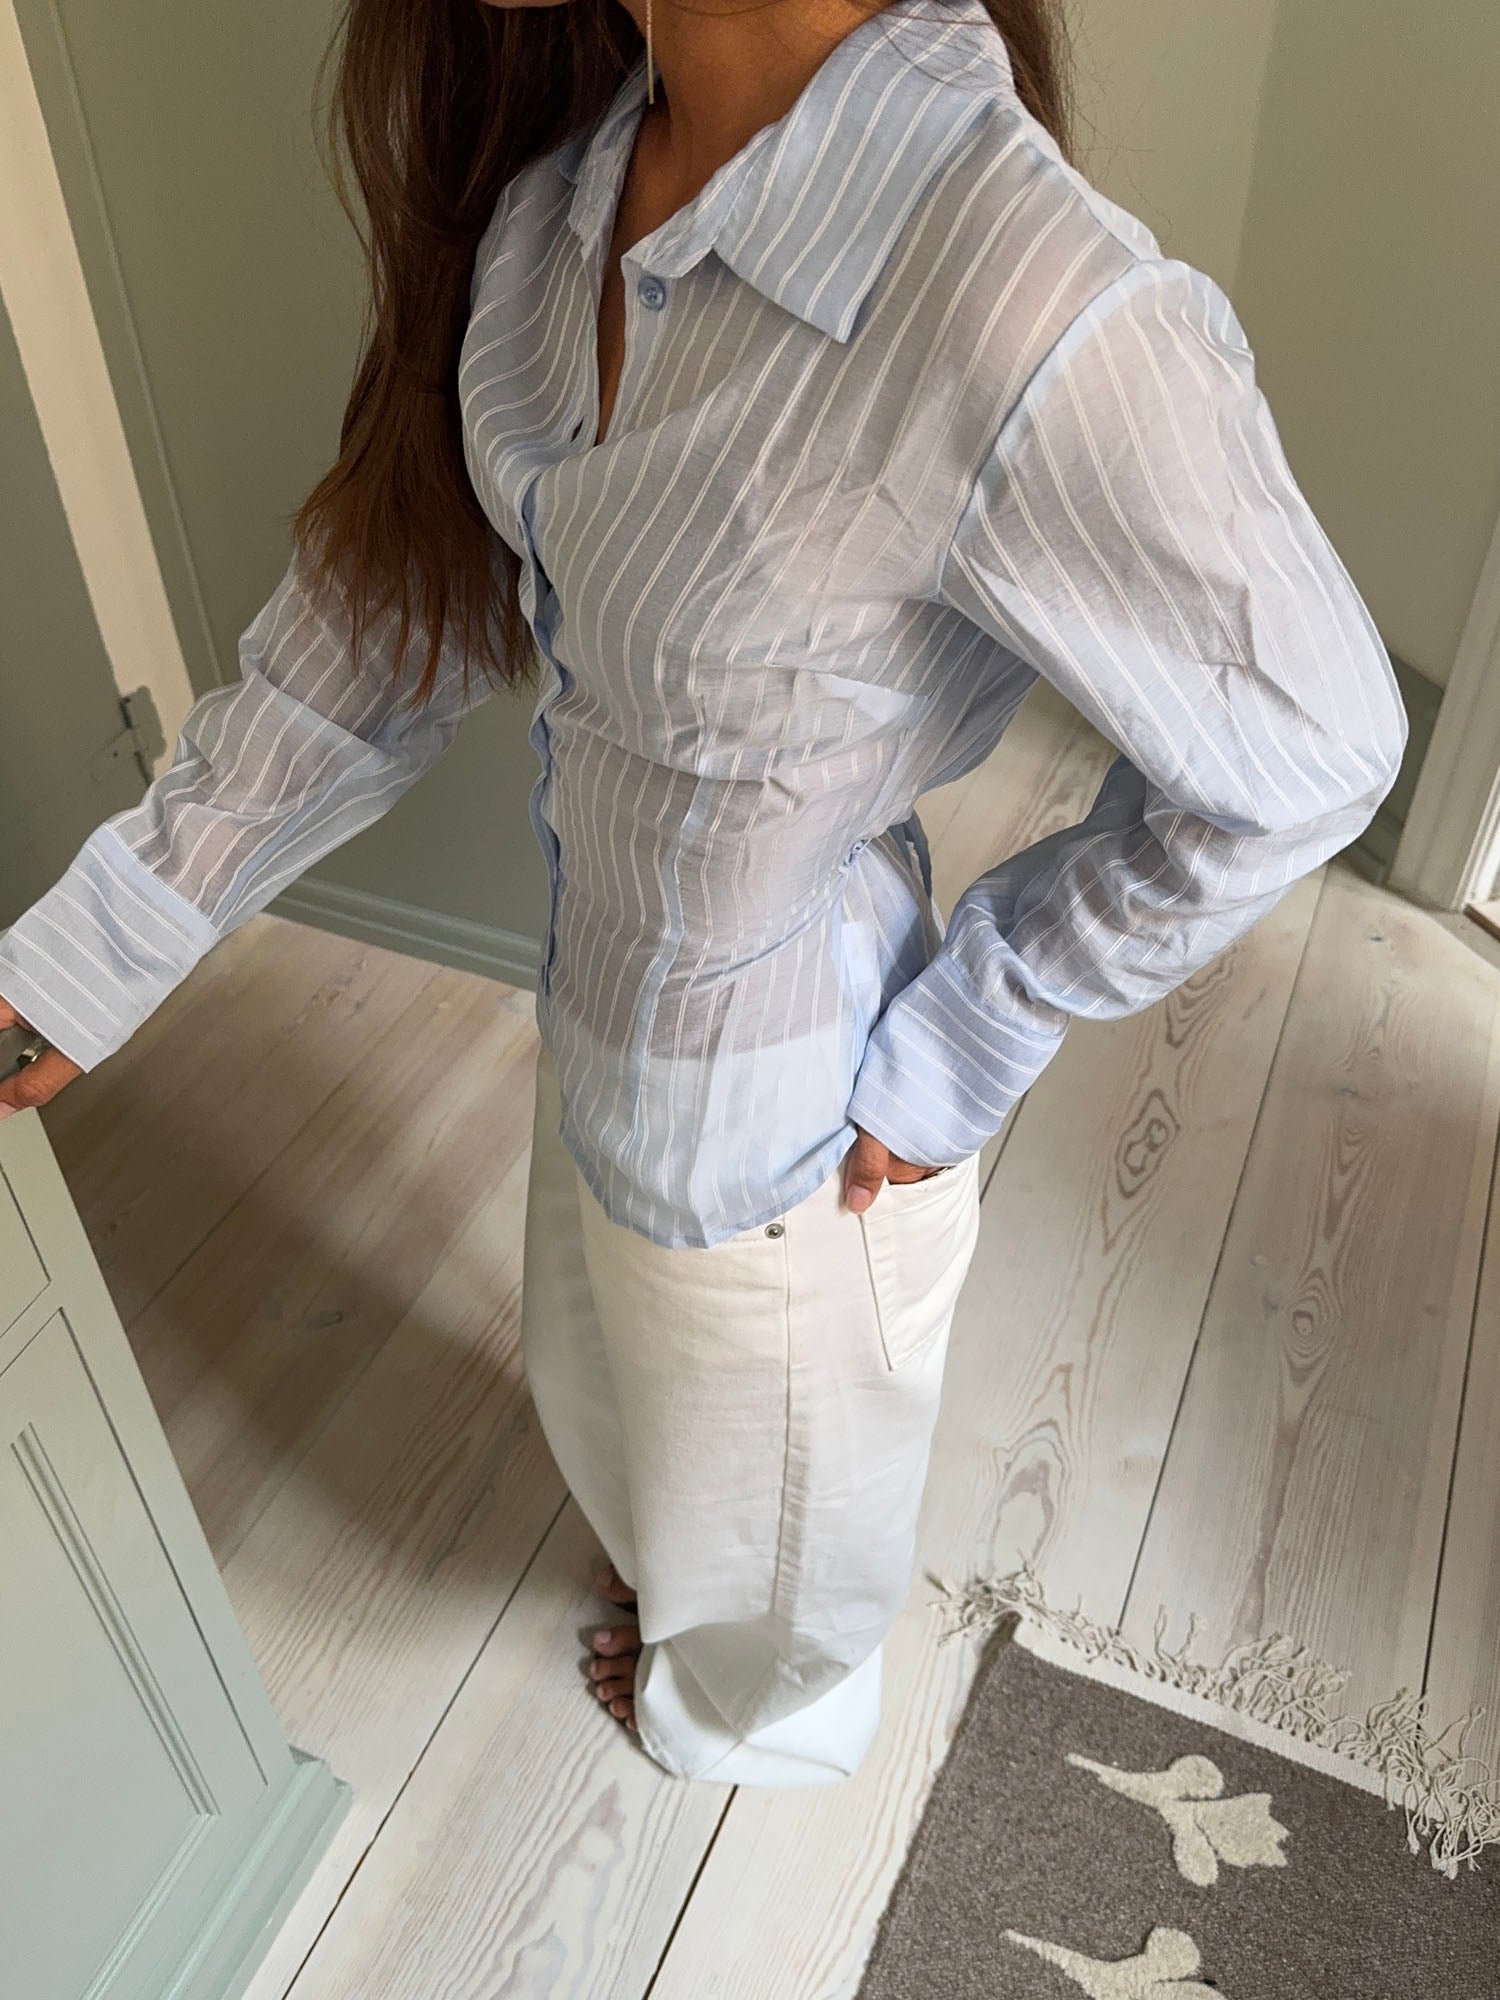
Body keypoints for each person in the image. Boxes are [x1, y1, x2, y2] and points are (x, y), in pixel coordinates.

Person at [0, 0, 1406, 1785]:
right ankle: (683, 1557)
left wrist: (970, 1037)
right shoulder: (558, 206)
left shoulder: (1029, 299)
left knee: (785, 1550)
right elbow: (397, 615)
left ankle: (744, 1715)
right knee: (627, 1407)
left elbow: (1311, 745)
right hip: (599, 1028)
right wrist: (109, 935)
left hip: (796, 1137)